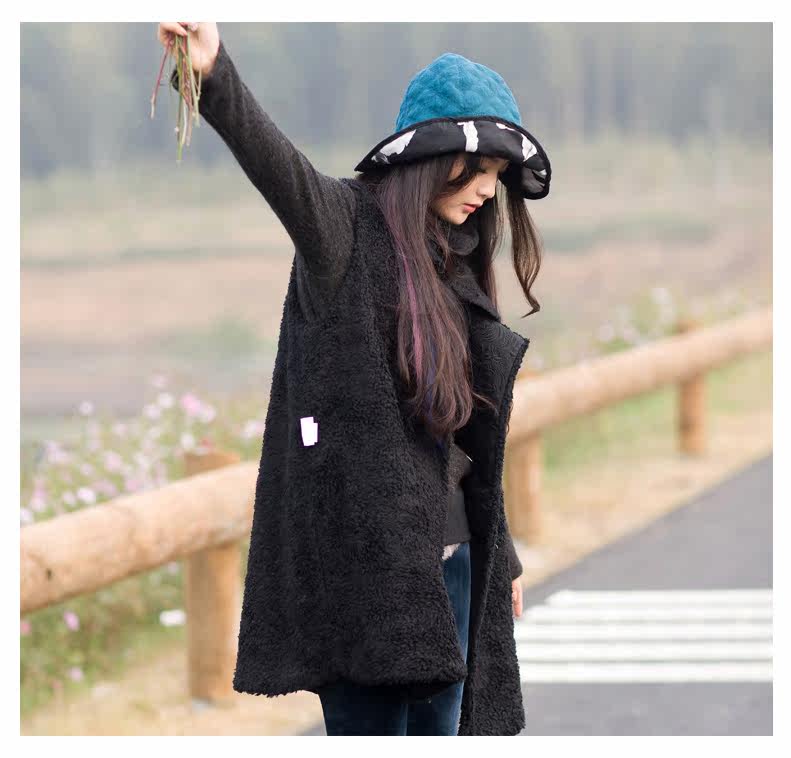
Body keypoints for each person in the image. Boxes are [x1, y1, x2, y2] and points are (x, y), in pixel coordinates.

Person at [157, 22, 551, 736]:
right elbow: (275, 165)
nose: (487, 191)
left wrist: (504, 558)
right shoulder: (343, 227)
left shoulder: (455, 262)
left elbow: (465, 440)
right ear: (430, 159)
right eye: (477, 169)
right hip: (364, 581)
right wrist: (213, 73)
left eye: (498, 175)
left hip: (453, 567)